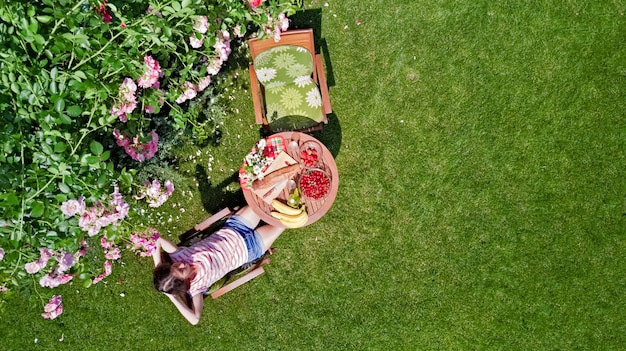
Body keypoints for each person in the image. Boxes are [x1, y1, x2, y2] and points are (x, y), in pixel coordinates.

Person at [152, 206, 284, 325]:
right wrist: (173, 297)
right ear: (183, 282)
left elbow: (156, 239)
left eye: (175, 266)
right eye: (181, 271)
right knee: (285, 221)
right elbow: (195, 319)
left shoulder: (178, 255)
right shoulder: (195, 288)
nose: (181, 264)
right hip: (250, 248)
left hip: (235, 227)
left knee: (262, 202)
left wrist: (158, 266)